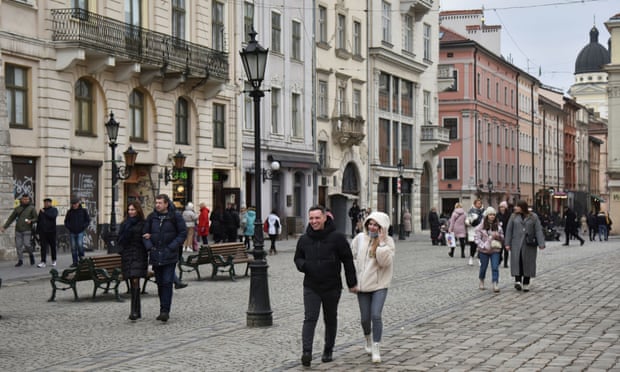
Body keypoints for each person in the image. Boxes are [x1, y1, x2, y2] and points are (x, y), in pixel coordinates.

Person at [294, 205, 358, 367]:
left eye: (317, 218)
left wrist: (352, 283)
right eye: (311, 218)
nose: (314, 221)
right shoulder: (304, 239)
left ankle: (328, 349)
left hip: (332, 286)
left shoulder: (337, 237)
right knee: (310, 318)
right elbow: (298, 258)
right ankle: (306, 352)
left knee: (330, 319)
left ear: (324, 217)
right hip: (311, 286)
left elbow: (348, 260)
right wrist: (305, 266)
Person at [351, 211, 395, 363]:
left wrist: (381, 243)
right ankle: (368, 340)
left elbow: (384, 262)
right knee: (364, 319)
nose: (372, 227)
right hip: (362, 286)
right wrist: (354, 278)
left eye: (376, 225)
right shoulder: (360, 239)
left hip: (379, 285)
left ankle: (376, 347)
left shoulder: (388, 242)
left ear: (383, 227)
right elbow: (353, 256)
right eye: (370, 224)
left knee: (376, 315)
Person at [143, 194, 187, 322]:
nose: (157, 205)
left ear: (166, 204)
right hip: (156, 254)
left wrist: (172, 247)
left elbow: (182, 233)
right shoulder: (152, 217)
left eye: (160, 203)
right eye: (156, 202)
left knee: (167, 282)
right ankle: (162, 307)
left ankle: (165, 311)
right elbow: (144, 234)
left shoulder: (175, 216)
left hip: (170, 254)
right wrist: (150, 246)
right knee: (160, 283)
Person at [504, 200, 546, 292]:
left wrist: (541, 243)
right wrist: (507, 243)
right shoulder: (513, 216)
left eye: (518, 206)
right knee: (517, 261)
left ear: (523, 207)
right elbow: (509, 230)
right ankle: (518, 281)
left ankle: (526, 282)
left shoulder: (533, 217)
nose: (516, 208)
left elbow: (538, 230)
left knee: (528, 263)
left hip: (529, 244)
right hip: (516, 243)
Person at [118, 201, 147, 321]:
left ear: (138, 211)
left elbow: (146, 237)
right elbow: (120, 239)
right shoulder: (125, 224)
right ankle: (137, 310)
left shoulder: (143, 224)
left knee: (135, 279)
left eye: (133, 210)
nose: (131, 212)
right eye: (129, 210)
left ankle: (133, 311)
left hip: (139, 253)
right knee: (132, 281)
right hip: (128, 254)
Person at [1, 194, 38, 267]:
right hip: (18, 230)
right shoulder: (18, 208)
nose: (25, 200)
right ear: (21, 199)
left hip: (27, 229)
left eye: (27, 199)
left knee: (27, 244)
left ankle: (31, 255)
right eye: (24, 199)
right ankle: (20, 260)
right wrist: (4, 227)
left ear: (29, 200)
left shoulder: (32, 208)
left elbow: (36, 218)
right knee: (18, 246)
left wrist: (31, 221)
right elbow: (11, 218)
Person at [474, 207, 504, 292]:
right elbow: (476, 238)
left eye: (494, 215)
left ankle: (495, 283)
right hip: (484, 251)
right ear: (487, 215)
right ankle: (481, 280)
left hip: (495, 250)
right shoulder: (481, 226)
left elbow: (502, 237)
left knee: (495, 267)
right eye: (490, 214)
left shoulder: (498, 226)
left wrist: (498, 236)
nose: (492, 216)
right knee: (483, 267)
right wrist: (483, 246)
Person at [64, 198, 91, 267]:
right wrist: (69, 227)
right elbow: (66, 221)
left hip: (80, 231)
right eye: (73, 204)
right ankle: (75, 262)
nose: (74, 205)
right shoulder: (70, 212)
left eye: (75, 204)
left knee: (80, 246)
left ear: (78, 203)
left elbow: (87, 220)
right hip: (72, 232)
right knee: (73, 248)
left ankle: (82, 261)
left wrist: (83, 227)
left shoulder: (83, 211)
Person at [36, 198, 58, 268]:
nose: (46, 204)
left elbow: (52, 217)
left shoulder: (54, 210)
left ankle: (54, 260)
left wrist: (44, 213)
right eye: (45, 203)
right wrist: (37, 231)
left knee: (52, 246)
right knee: (43, 247)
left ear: (50, 203)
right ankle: (43, 261)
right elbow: (39, 221)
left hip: (51, 231)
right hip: (43, 232)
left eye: (48, 202)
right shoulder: (42, 211)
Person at [466, 199, 484, 265]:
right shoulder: (471, 211)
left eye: (480, 203)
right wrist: (468, 223)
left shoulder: (483, 212)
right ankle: (471, 257)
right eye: (478, 203)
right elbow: (468, 220)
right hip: (473, 230)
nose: (479, 204)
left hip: (481, 231)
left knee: (480, 246)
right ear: (475, 204)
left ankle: (479, 259)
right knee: (473, 246)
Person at [497, 201, 512, 268]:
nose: (501, 208)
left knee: (506, 249)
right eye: (500, 207)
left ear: (505, 208)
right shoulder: (497, 214)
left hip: (507, 233)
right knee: (499, 248)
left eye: (503, 207)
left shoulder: (509, 214)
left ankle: (505, 263)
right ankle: (500, 259)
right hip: (499, 233)